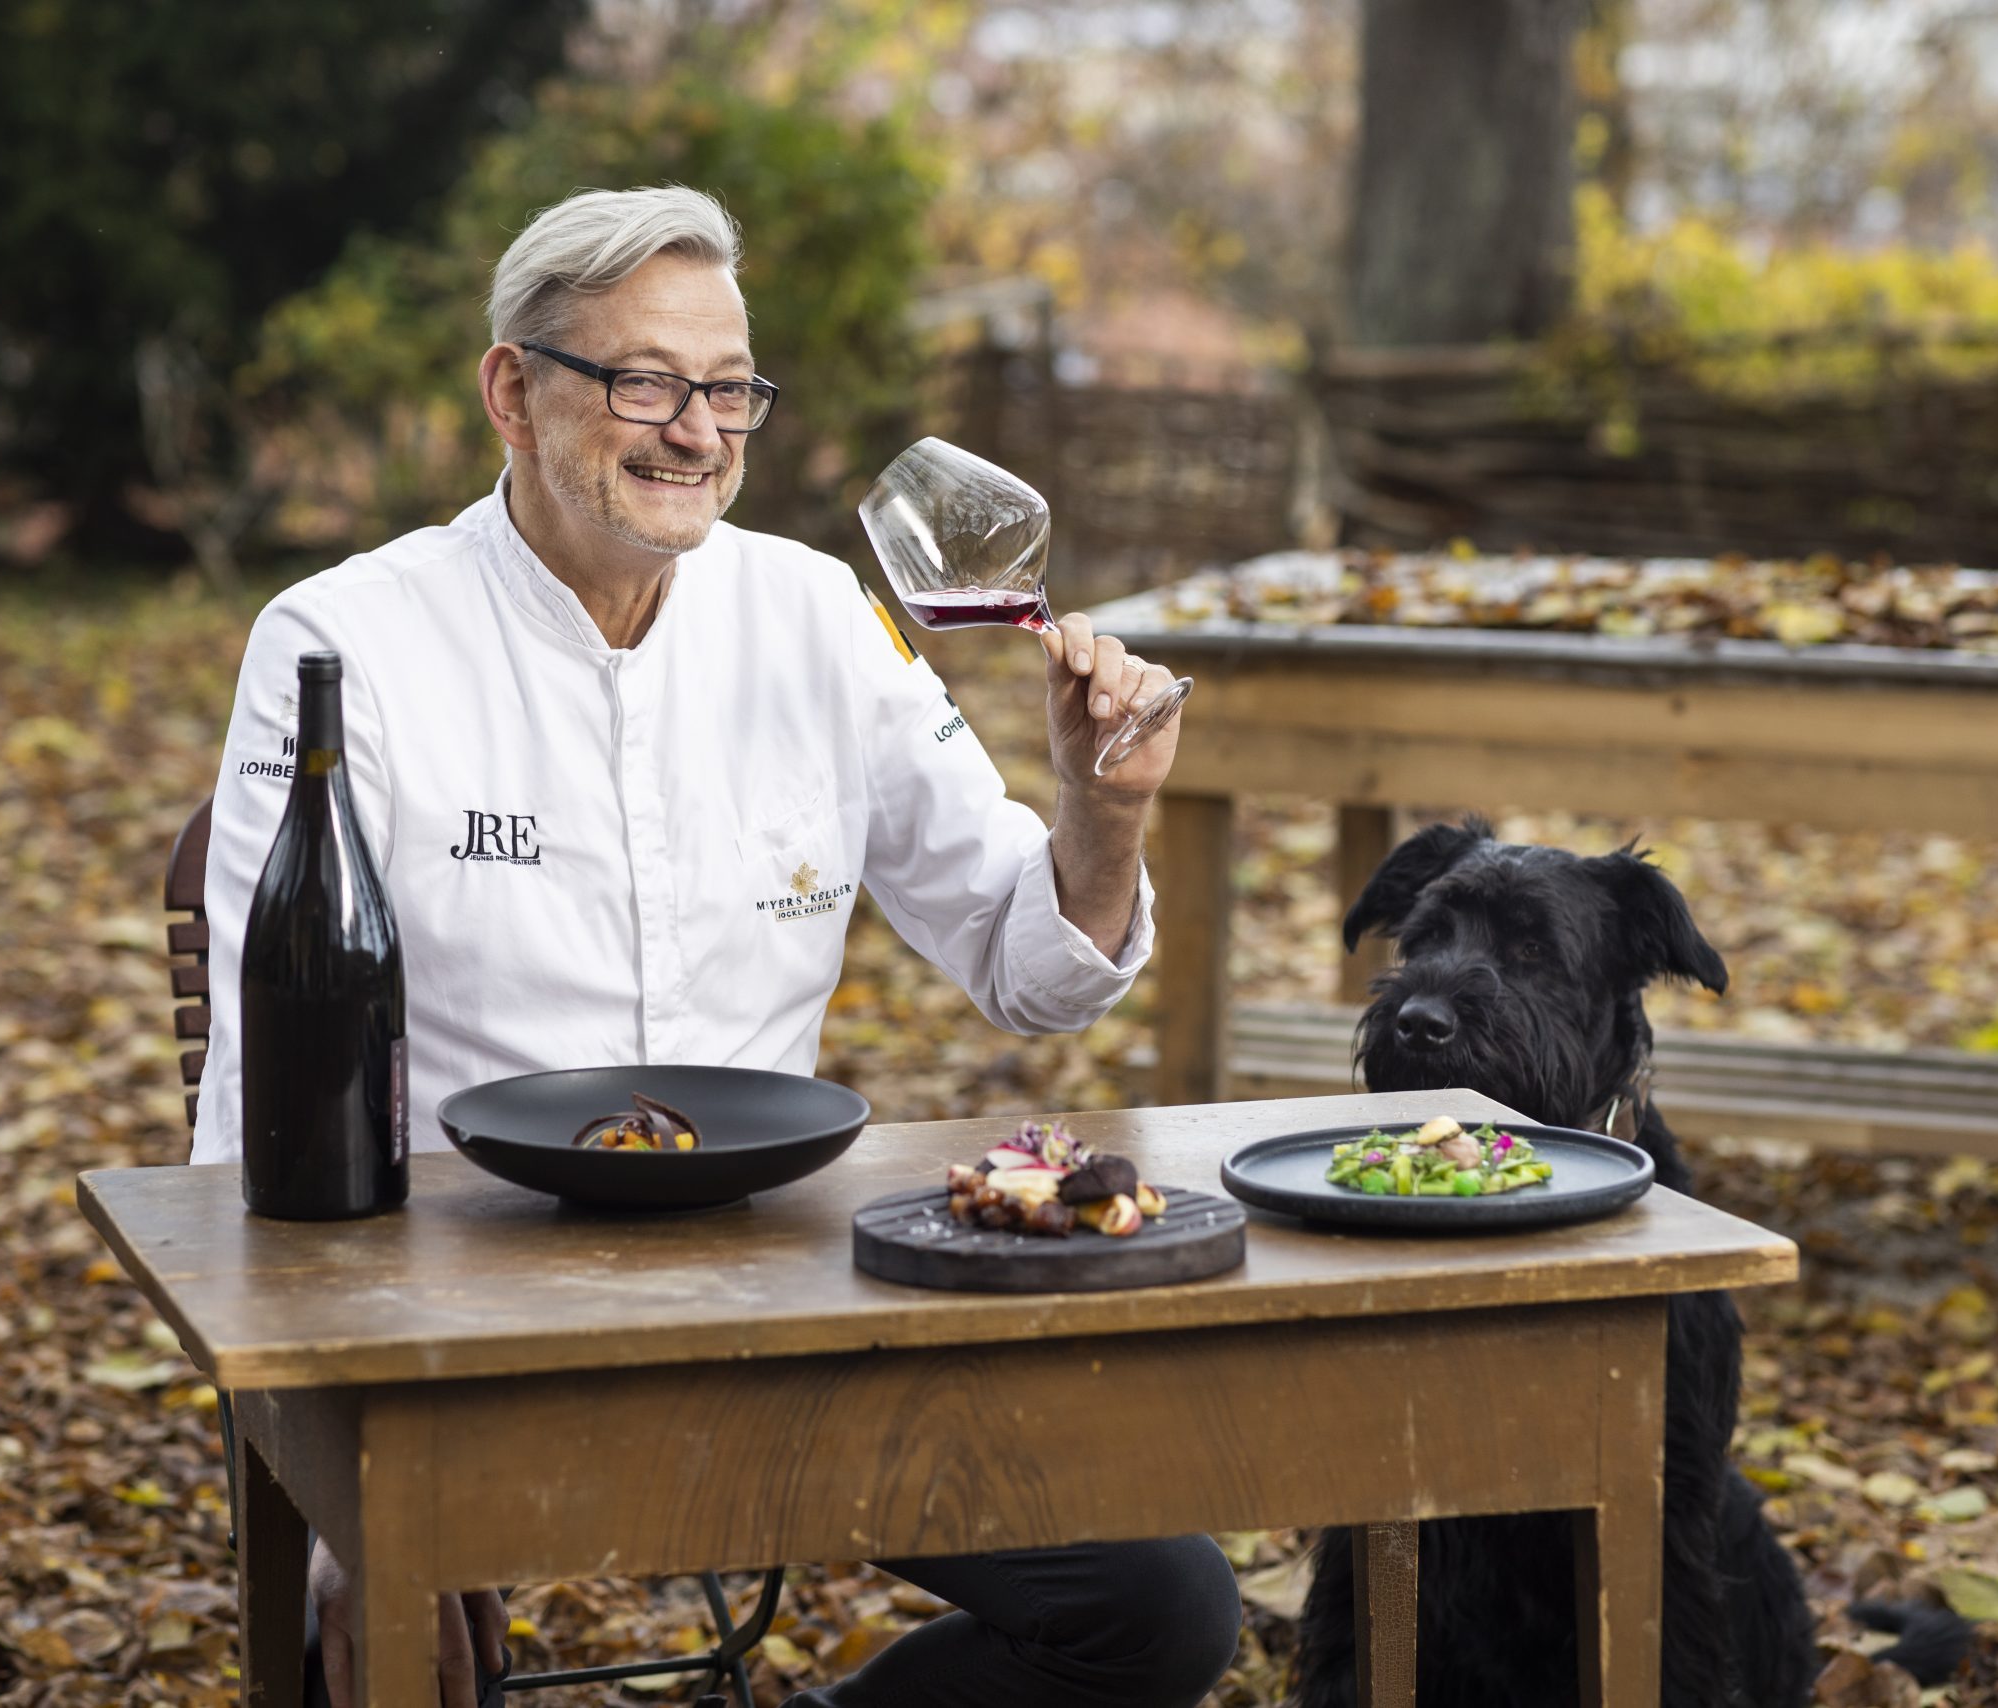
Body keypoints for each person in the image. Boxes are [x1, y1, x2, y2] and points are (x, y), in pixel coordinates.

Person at [191, 185, 1240, 1708]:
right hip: (455, 1337)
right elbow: (261, 1104)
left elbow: (1029, 963)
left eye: (729, 389)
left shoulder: (820, 616)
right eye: (644, 381)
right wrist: (342, 1489)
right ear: (511, 388)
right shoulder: (343, 644)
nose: (697, 431)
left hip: (788, 1303)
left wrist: (1102, 814)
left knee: (1160, 1608)